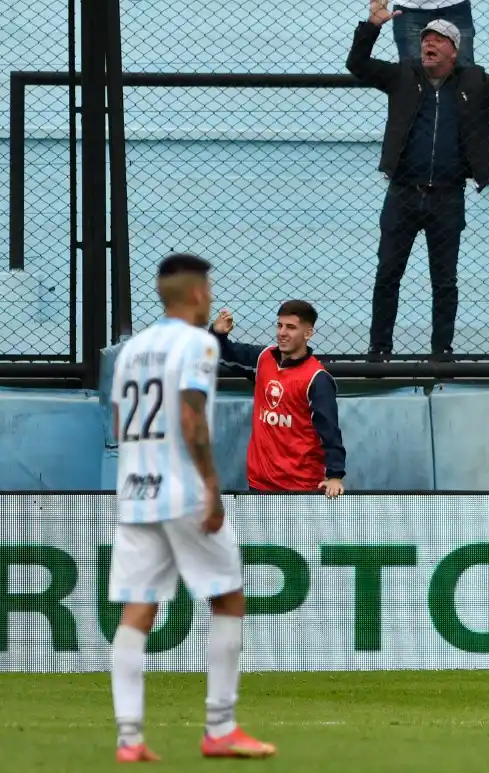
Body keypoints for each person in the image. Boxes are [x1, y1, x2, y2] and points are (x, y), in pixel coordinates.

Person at [107, 253, 275, 761]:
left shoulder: (130, 351)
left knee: (139, 607)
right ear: (199, 294)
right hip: (181, 489)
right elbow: (191, 416)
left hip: (134, 490)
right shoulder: (198, 344)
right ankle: (220, 727)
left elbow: (117, 422)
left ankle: (129, 738)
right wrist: (211, 486)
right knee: (227, 598)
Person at [347, 0, 489, 360]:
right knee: (388, 274)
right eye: (425, 39)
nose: (428, 45)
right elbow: (358, 64)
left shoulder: (474, 81)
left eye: (437, 40)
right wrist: (372, 26)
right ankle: (379, 349)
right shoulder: (402, 75)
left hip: (448, 196)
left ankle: (441, 352)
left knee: (444, 281)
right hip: (402, 192)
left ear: (454, 50)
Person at [208, 301, 346, 496]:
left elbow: (329, 431)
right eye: (279, 325)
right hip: (259, 482)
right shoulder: (263, 359)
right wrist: (217, 333)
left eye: (291, 327)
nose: (282, 332)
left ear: (308, 333)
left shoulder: (317, 379)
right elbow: (222, 352)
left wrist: (335, 476)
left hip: (300, 486)